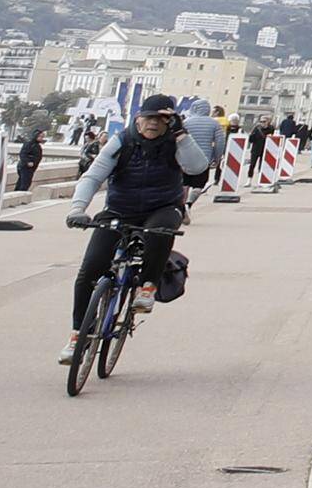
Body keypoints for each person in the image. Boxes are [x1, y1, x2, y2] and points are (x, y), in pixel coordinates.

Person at [63, 98, 213, 361]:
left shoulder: (176, 142)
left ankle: (148, 286)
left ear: (171, 121)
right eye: (149, 117)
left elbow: (197, 167)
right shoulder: (122, 141)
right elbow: (93, 176)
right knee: (90, 268)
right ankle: (78, 335)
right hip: (120, 209)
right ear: (138, 118)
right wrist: (77, 209)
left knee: (159, 232)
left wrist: (181, 136)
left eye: (162, 118)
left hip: (163, 207)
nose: (153, 123)